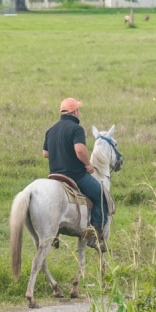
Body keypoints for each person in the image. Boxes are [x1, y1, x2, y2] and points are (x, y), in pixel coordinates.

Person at [43, 98, 108, 251]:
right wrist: (88, 164)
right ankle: (94, 235)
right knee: (101, 197)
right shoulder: (76, 129)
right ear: (75, 112)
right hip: (75, 175)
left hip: (54, 175)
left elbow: (45, 153)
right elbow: (79, 151)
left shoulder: (51, 130)